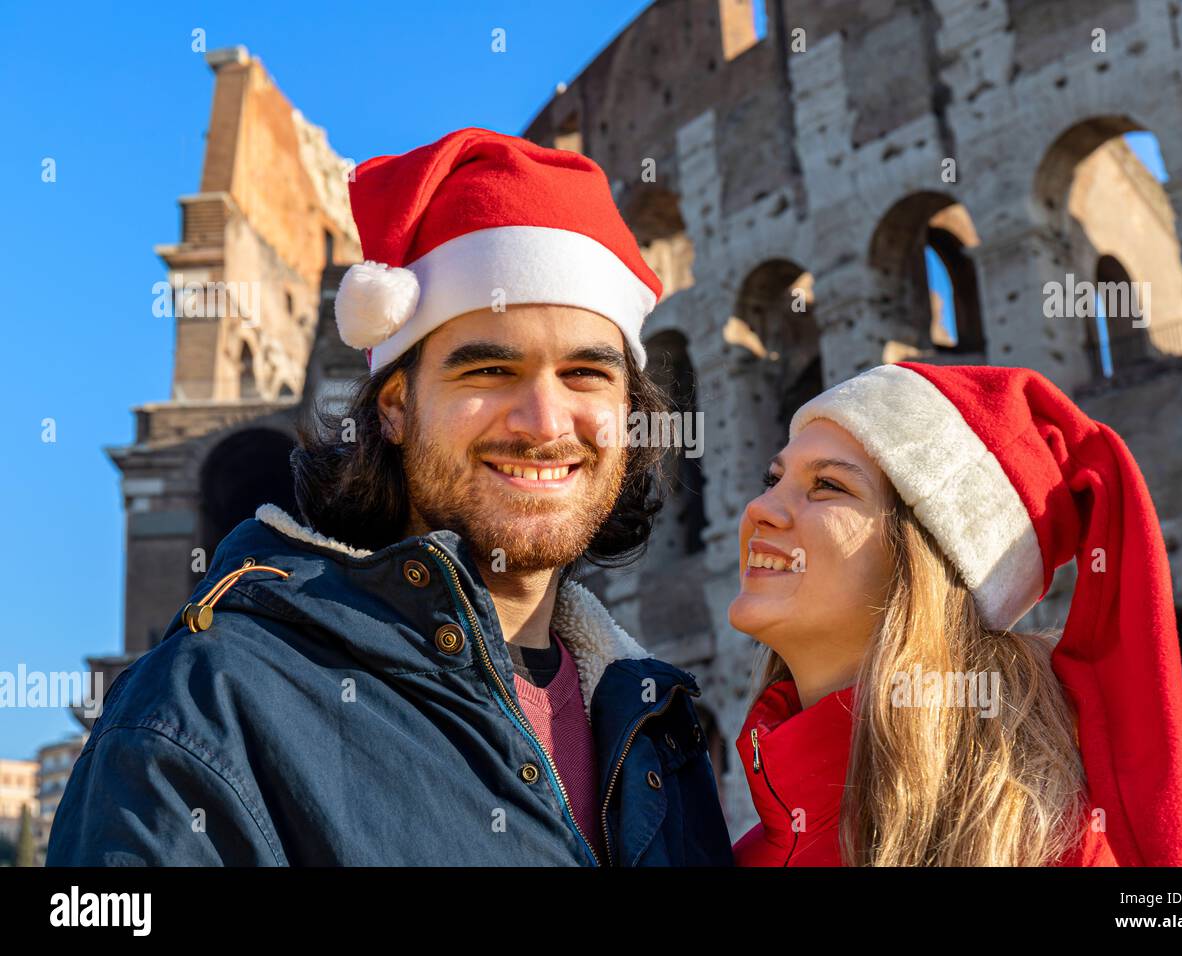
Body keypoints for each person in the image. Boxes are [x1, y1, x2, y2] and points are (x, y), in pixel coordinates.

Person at [47, 128, 733, 866]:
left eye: (585, 374)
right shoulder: (209, 705)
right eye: (490, 372)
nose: (543, 422)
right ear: (396, 406)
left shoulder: (658, 724)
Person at [727, 361, 1182, 866]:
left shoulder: (1048, 845)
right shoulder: (737, 853)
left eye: (827, 485)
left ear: (929, 562)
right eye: (772, 479)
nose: (761, 508)